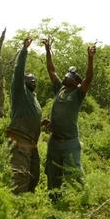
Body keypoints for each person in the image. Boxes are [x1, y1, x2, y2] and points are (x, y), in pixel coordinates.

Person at [42, 38, 95, 199]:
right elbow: (51, 70)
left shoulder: (78, 93)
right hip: (54, 141)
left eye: (70, 76)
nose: (65, 77)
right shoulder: (60, 89)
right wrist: (48, 51)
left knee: (75, 175)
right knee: (52, 175)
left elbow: (89, 77)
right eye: (66, 75)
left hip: (70, 142)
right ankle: (55, 204)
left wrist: (90, 58)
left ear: (76, 82)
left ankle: (83, 202)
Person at [6, 37, 44, 193]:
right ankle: (16, 206)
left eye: (35, 80)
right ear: (23, 81)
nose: (33, 81)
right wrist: (24, 50)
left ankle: (28, 206)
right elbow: (18, 70)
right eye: (30, 80)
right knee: (20, 176)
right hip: (19, 138)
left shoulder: (33, 98)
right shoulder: (20, 91)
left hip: (32, 143)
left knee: (34, 175)